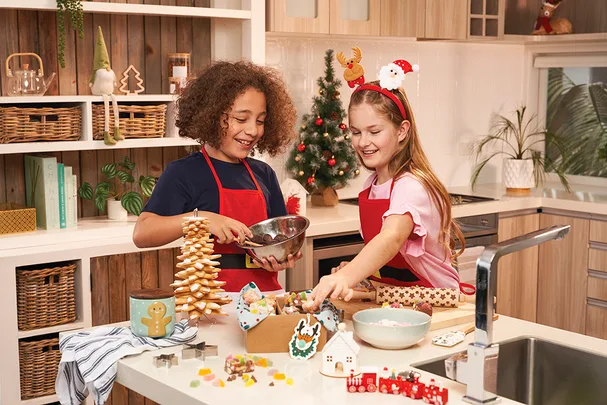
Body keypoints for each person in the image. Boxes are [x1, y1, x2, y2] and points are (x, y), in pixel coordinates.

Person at [133, 60, 301, 293]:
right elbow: (143, 233)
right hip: (208, 306)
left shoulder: (264, 174)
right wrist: (200, 219)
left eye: (260, 120)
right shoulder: (184, 173)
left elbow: (279, 238)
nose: (253, 130)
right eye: (241, 119)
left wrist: (283, 256)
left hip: (264, 300)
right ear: (211, 116)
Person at [310, 57, 467, 307]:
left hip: (434, 303)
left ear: (402, 131)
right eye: (356, 132)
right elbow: (387, 257)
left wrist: (344, 277)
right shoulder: (371, 185)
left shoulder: (411, 185)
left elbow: (391, 238)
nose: (363, 142)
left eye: (374, 132)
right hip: (395, 302)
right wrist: (359, 270)